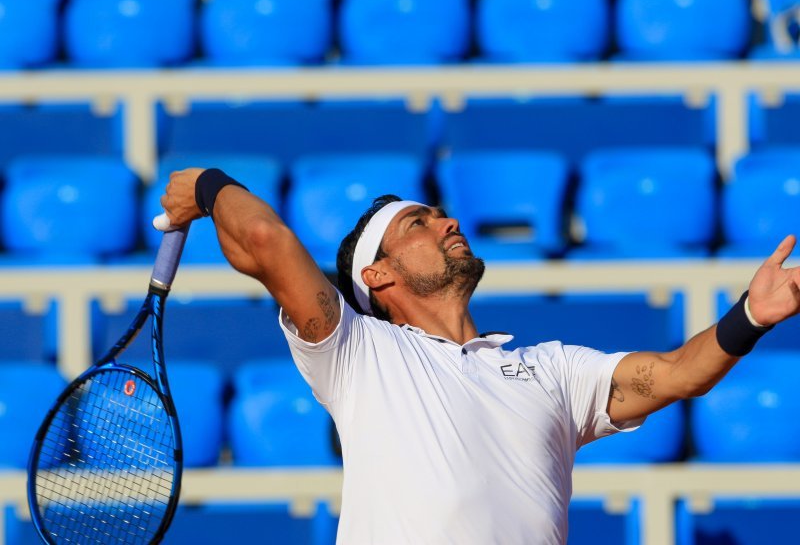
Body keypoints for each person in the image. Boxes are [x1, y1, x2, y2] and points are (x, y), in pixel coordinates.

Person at [156, 167, 800, 544]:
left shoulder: (551, 370)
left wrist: (751, 314)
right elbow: (264, 239)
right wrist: (210, 186)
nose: (448, 223)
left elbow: (679, 374)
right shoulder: (357, 351)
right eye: (421, 224)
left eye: (440, 216)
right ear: (377, 278)